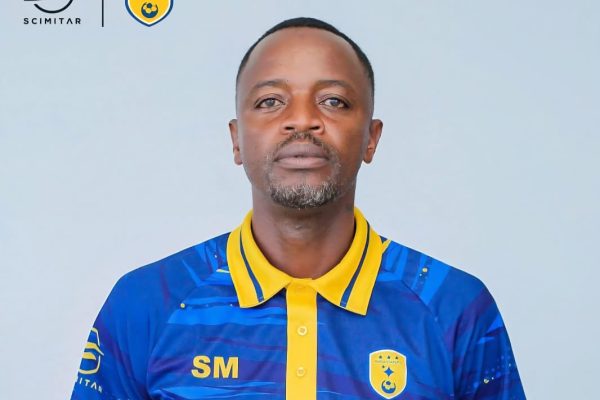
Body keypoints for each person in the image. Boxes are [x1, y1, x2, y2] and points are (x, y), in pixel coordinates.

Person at [71, 17, 526, 400]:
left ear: (371, 138)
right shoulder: (147, 303)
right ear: (236, 139)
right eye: (270, 101)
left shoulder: (453, 307)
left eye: (334, 101)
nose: (302, 119)